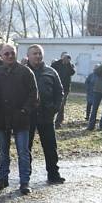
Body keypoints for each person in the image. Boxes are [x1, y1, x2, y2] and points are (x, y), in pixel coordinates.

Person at [0, 43, 38, 195]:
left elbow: (34, 95)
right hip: (1, 119)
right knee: (3, 152)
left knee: (23, 152)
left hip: (21, 119)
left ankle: (24, 182)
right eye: (6, 54)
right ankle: (3, 178)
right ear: (0, 56)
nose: (10, 56)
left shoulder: (26, 72)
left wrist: (24, 110)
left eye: (12, 53)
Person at [26, 44, 65, 185]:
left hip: (46, 116)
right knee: (26, 148)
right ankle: (26, 177)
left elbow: (59, 92)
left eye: (39, 53)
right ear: (28, 56)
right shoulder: (23, 72)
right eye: (34, 53)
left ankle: (53, 174)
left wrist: (54, 108)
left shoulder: (51, 72)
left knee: (50, 147)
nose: (37, 56)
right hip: (27, 117)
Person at [50, 52, 75, 128]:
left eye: (67, 57)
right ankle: (51, 119)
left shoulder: (70, 65)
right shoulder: (56, 64)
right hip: (55, 87)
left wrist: (68, 63)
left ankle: (58, 122)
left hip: (65, 88)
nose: (65, 59)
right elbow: (51, 69)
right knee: (53, 103)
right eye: (64, 57)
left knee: (61, 105)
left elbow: (72, 72)